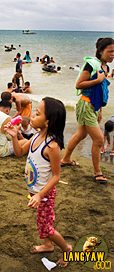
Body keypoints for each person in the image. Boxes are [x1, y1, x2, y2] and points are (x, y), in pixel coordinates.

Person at [5, 97, 72, 267]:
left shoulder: (52, 146)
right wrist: (14, 135)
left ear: (48, 122)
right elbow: (19, 152)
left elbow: (56, 176)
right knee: (43, 222)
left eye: (37, 114)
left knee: (46, 227)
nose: (32, 116)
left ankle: (67, 249)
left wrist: (41, 194)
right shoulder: (35, 137)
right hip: (36, 192)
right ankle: (48, 245)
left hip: (44, 194)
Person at [61, 38, 114, 184]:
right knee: (98, 140)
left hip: (94, 106)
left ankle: (65, 159)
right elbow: (79, 84)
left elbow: (102, 91)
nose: (112, 54)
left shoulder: (105, 68)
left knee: (80, 135)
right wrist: (96, 80)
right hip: (86, 105)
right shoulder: (92, 65)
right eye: (110, 51)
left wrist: (101, 110)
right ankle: (97, 173)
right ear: (101, 51)